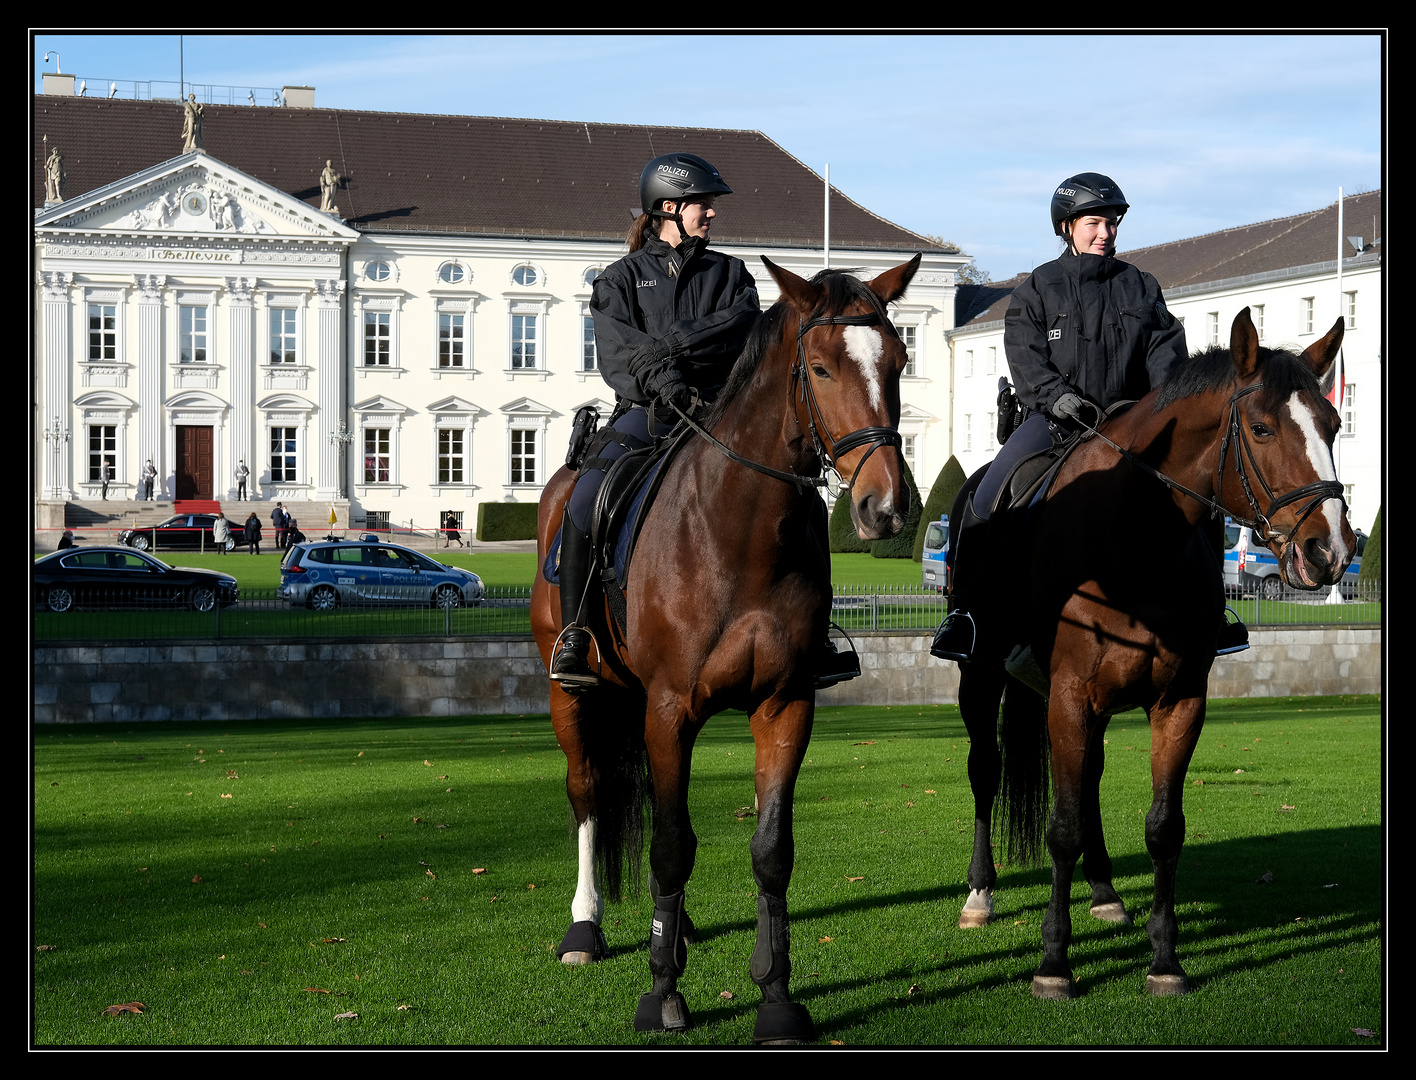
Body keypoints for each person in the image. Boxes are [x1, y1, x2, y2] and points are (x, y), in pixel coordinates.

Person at [931, 172, 1247, 663]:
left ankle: (1213, 613)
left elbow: (1168, 361)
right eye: (1094, 222)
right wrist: (1057, 398)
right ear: (1067, 227)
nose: (1106, 233)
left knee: (1199, 496)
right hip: (1055, 423)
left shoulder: (1142, 288)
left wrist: (1160, 410)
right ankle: (968, 616)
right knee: (988, 495)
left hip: (1135, 429)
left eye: (1112, 223)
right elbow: (1026, 358)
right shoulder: (1035, 289)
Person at [549, 152, 763, 690]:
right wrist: (660, 378)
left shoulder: (732, 275)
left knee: (789, 491)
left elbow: (739, 333)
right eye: (703, 205)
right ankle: (576, 632)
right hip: (645, 411)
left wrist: (669, 348)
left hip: (719, 410)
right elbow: (618, 352)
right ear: (669, 206)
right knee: (584, 495)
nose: (712, 215)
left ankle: (813, 627)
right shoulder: (620, 279)